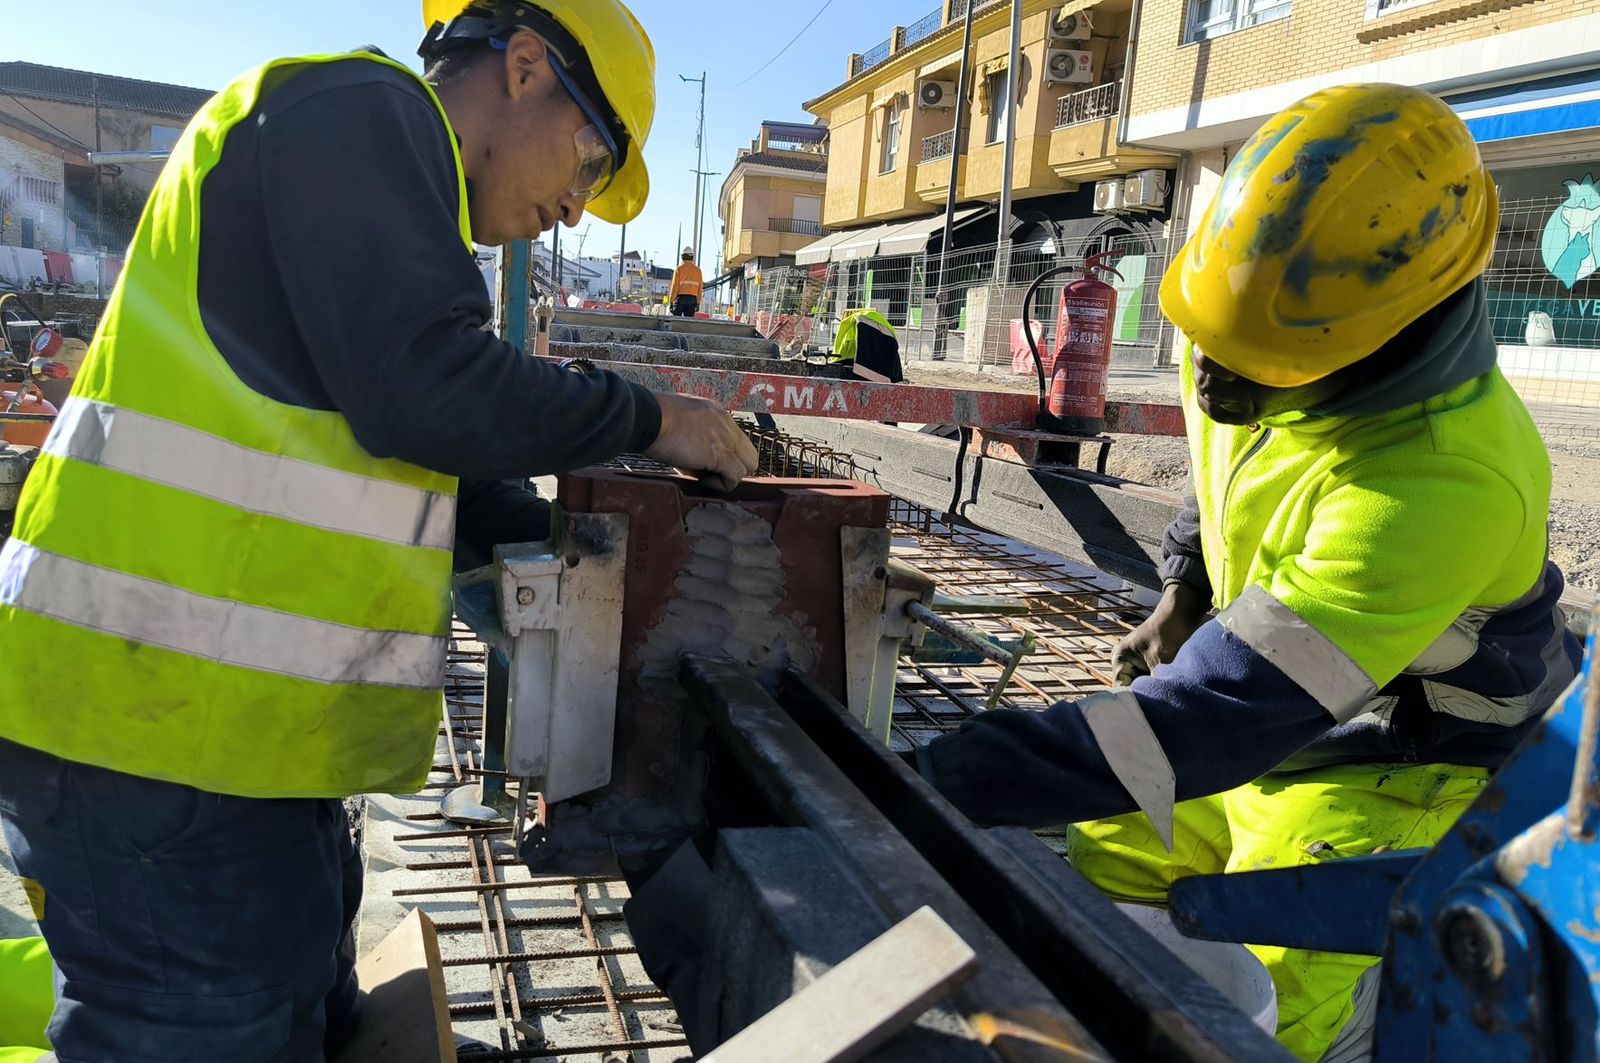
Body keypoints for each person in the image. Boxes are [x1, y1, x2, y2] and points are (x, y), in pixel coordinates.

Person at [0, 1, 758, 1058]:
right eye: (591, 161)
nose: (575, 209)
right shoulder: (356, 110)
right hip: (148, 742)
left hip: (232, 746)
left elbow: (439, 475)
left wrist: (610, 571)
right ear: (526, 65)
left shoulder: (387, 203)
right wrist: (649, 416)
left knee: (302, 1028)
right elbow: (426, 391)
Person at [908, 83, 1582, 1061]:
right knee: (1109, 848)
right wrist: (1185, 586)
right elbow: (1226, 468)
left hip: (1396, 759)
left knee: (1279, 986)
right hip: (1260, 708)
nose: (1212, 380)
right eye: (1206, 343)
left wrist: (954, 776)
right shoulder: (1259, 332)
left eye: (1250, 366)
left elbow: (1212, 717)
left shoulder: (1444, 480)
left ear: (1381, 340)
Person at [669, 246, 703, 316]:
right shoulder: (698, 271)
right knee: (688, 321)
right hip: (692, 300)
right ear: (692, 257)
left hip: (680, 299)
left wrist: (671, 301)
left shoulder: (679, 269)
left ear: (682, 257)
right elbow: (700, 289)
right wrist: (698, 302)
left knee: (676, 320)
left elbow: (674, 286)